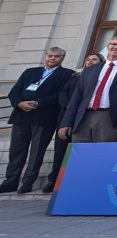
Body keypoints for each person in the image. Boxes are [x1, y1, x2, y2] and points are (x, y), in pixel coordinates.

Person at [1, 47, 74, 194]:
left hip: (44, 117)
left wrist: (38, 104)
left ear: (62, 58)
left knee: (37, 151)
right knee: (16, 151)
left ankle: (28, 182)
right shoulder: (30, 71)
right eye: (50, 55)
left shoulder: (67, 74)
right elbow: (15, 90)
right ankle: (11, 181)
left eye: (57, 56)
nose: (52, 58)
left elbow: (60, 95)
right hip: (21, 115)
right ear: (45, 56)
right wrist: (20, 103)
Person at [59, 36, 117, 143]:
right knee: (79, 155)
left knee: (104, 155)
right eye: (113, 44)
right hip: (83, 117)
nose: (116, 47)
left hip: (109, 118)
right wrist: (66, 122)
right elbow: (77, 97)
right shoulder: (91, 69)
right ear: (108, 46)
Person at [43, 52, 103, 193]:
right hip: (68, 116)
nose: (90, 61)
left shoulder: (101, 77)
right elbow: (63, 94)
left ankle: (79, 180)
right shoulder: (74, 77)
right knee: (61, 150)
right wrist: (71, 107)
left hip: (87, 116)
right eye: (88, 59)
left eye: (94, 59)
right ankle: (55, 180)